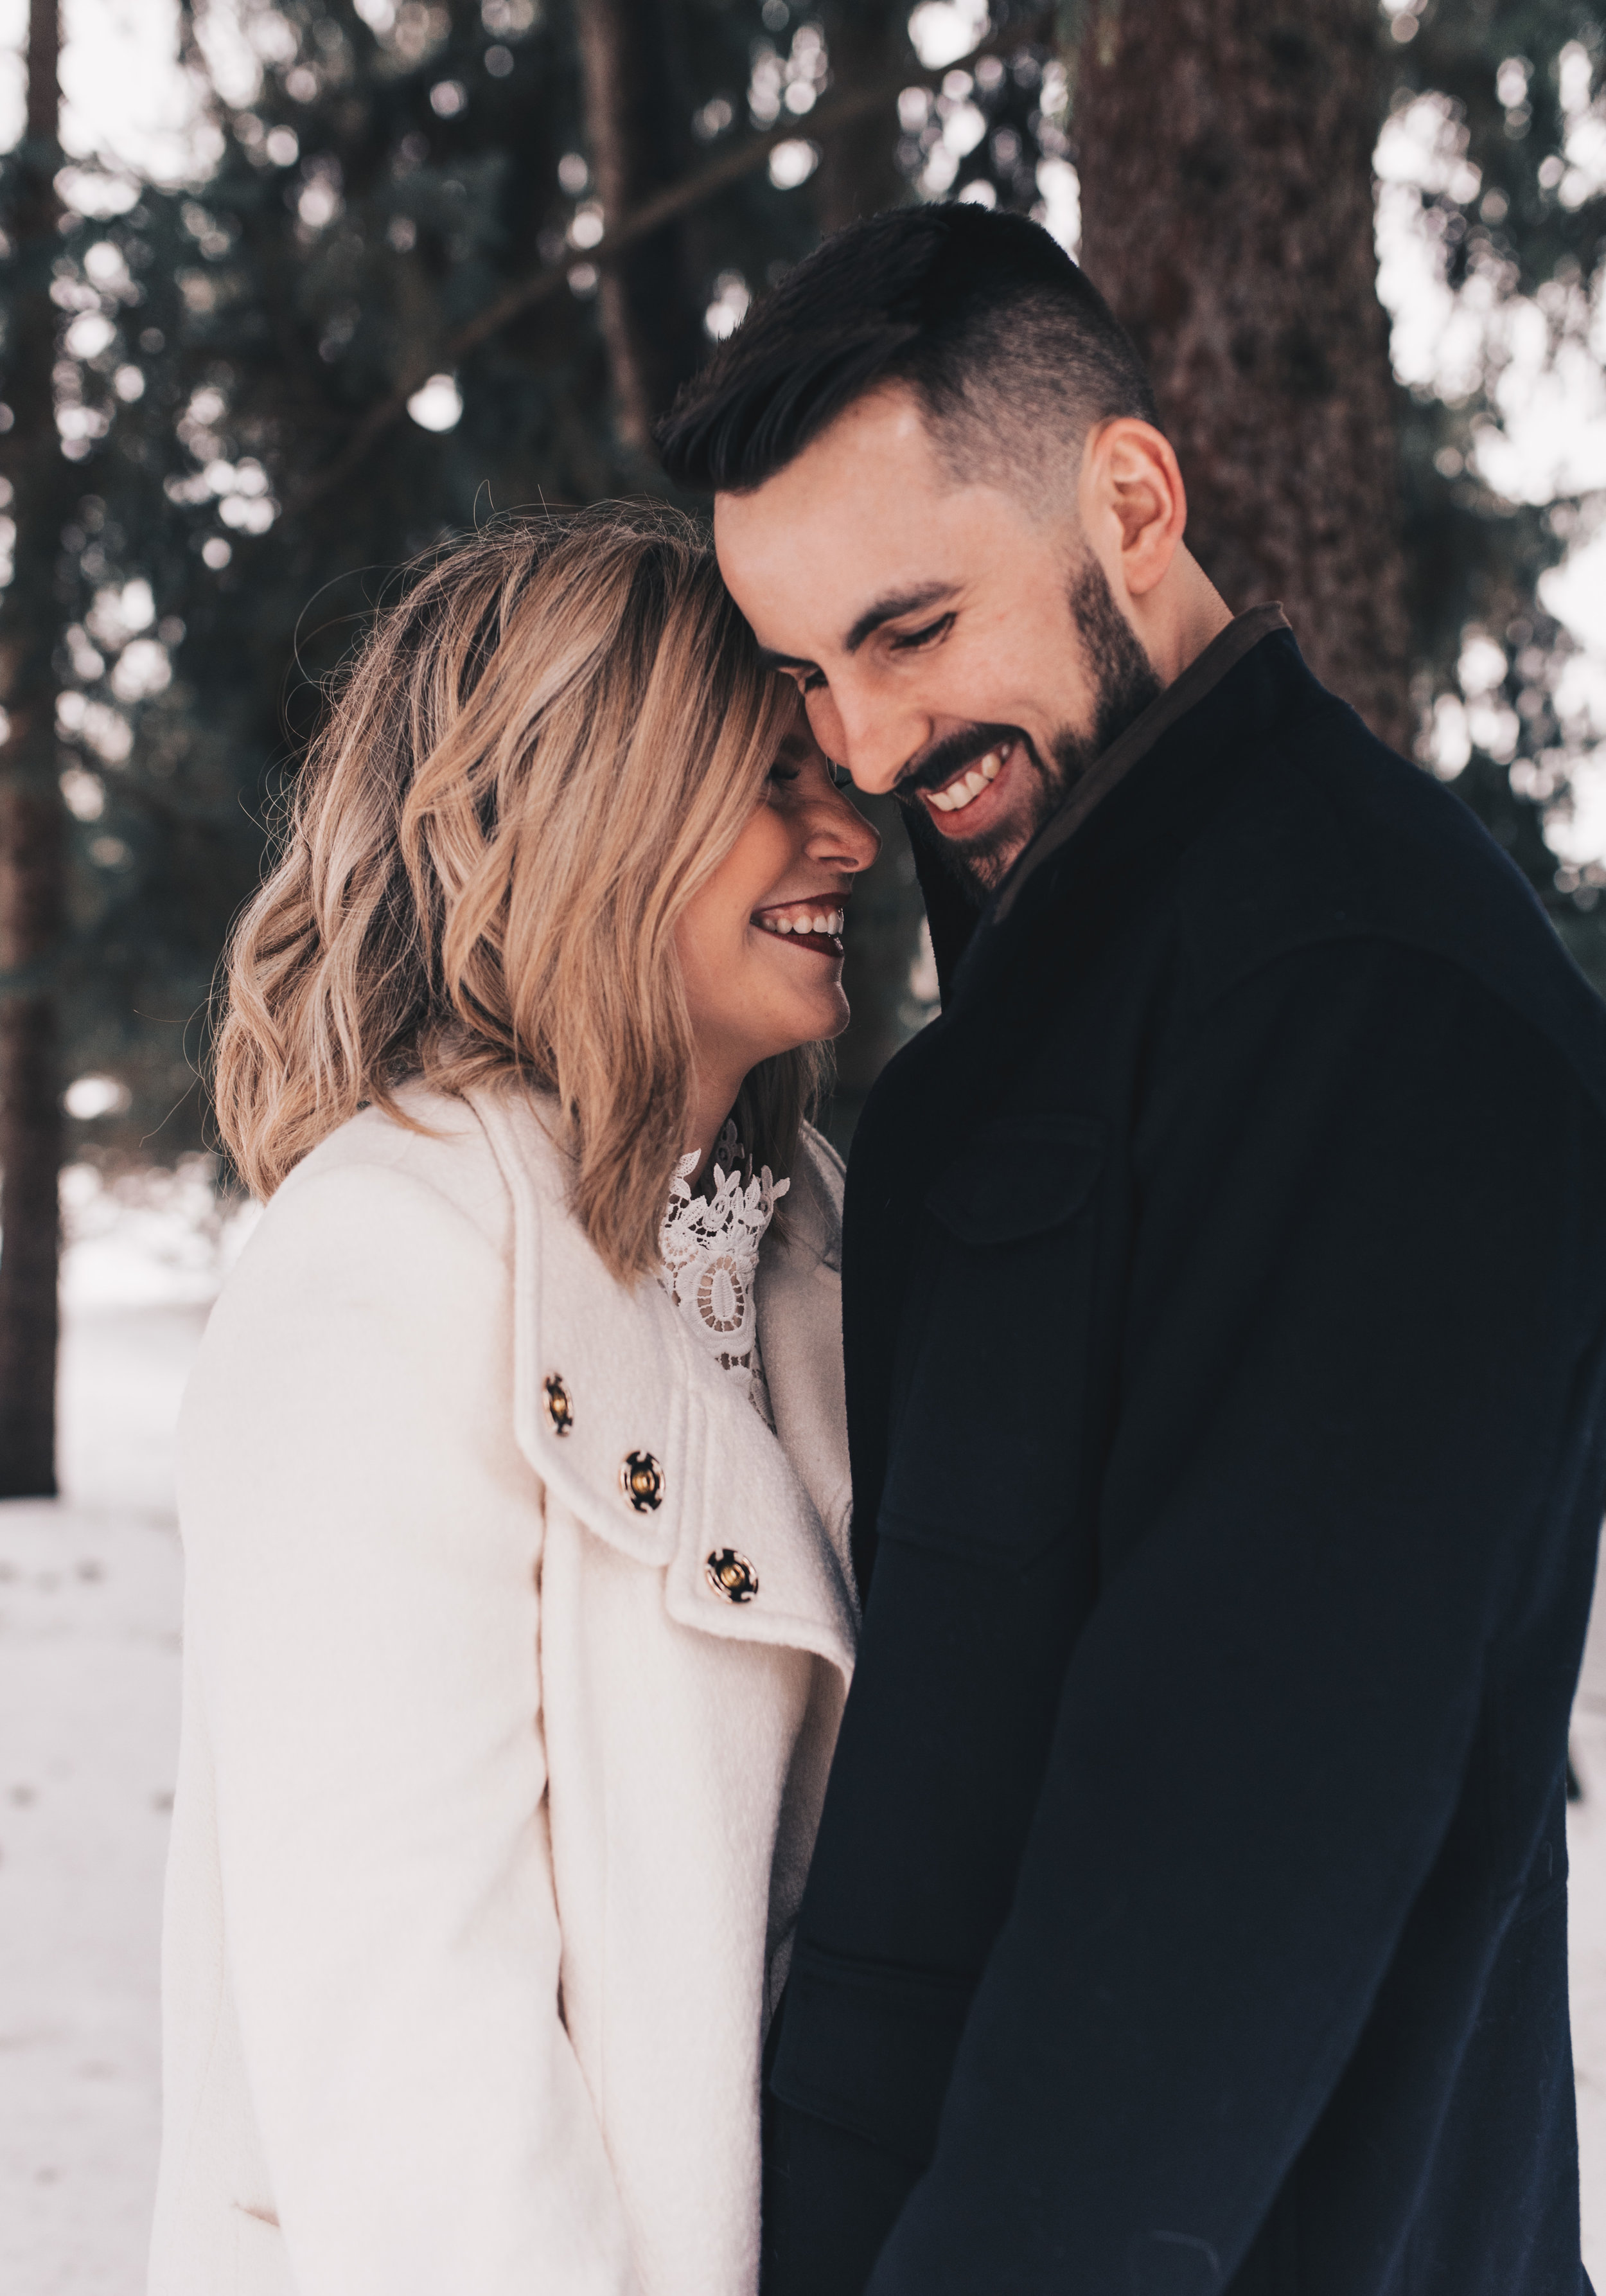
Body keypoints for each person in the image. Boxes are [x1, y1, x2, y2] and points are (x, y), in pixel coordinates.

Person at [657, 203, 1606, 2295]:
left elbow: (1230, 1859)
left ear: (1132, 497)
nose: (868, 744)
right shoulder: (1107, 965)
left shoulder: (1360, 999)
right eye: (808, 674)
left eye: (909, 631)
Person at [147, 506, 879, 2296]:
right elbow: (407, 2030)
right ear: (595, 812)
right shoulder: (390, 1257)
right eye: (771, 775)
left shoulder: (808, 1247)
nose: (849, 834)